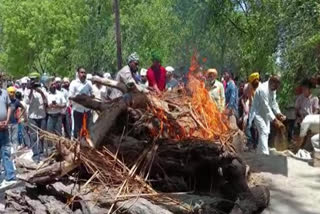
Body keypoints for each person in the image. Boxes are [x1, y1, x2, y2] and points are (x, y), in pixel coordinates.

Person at [248, 76, 286, 155]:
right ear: (271, 82)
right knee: (264, 131)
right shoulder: (263, 89)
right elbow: (266, 107)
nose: (276, 89)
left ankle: (259, 153)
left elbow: (273, 103)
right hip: (257, 113)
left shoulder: (273, 89)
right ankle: (265, 155)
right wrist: (275, 120)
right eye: (275, 86)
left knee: (266, 133)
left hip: (265, 114)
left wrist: (279, 113)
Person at [24, 72, 48, 162]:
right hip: (32, 116)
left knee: (42, 135)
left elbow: (46, 101)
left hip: (42, 115)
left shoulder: (42, 88)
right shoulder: (28, 89)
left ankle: (41, 153)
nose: (34, 81)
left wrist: (41, 92)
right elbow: (27, 102)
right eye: (32, 80)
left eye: (35, 79)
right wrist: (30, 90)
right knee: (33, 136)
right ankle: (35, 154)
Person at [0, 80, 16, 187]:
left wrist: (7, 119)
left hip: (4, 127)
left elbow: (9, 106)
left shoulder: (4, 93)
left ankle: (10, 176)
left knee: (6, 151)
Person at [69, 67, 93, 139]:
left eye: (84, 72)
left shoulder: (89, 83)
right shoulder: (73, 83)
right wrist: (80, 98)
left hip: (87, 110)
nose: (83, 74)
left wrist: (88, 97)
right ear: (78, 74)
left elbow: (92, 94)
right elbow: (70, 96)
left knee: (88, 130)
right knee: (78, 131)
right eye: (81, 72)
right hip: (78, 110)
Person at [7, 87, 27, 152]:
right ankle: (9, 153)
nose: (12, 95)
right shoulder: (5, 101)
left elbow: (24, 108)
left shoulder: (16, 101)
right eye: (11, 93)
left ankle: (14, 153)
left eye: (13, 93)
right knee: (8, 139)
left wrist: (19, 116)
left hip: (14, 122)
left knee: (15, 138)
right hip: (7, 123)